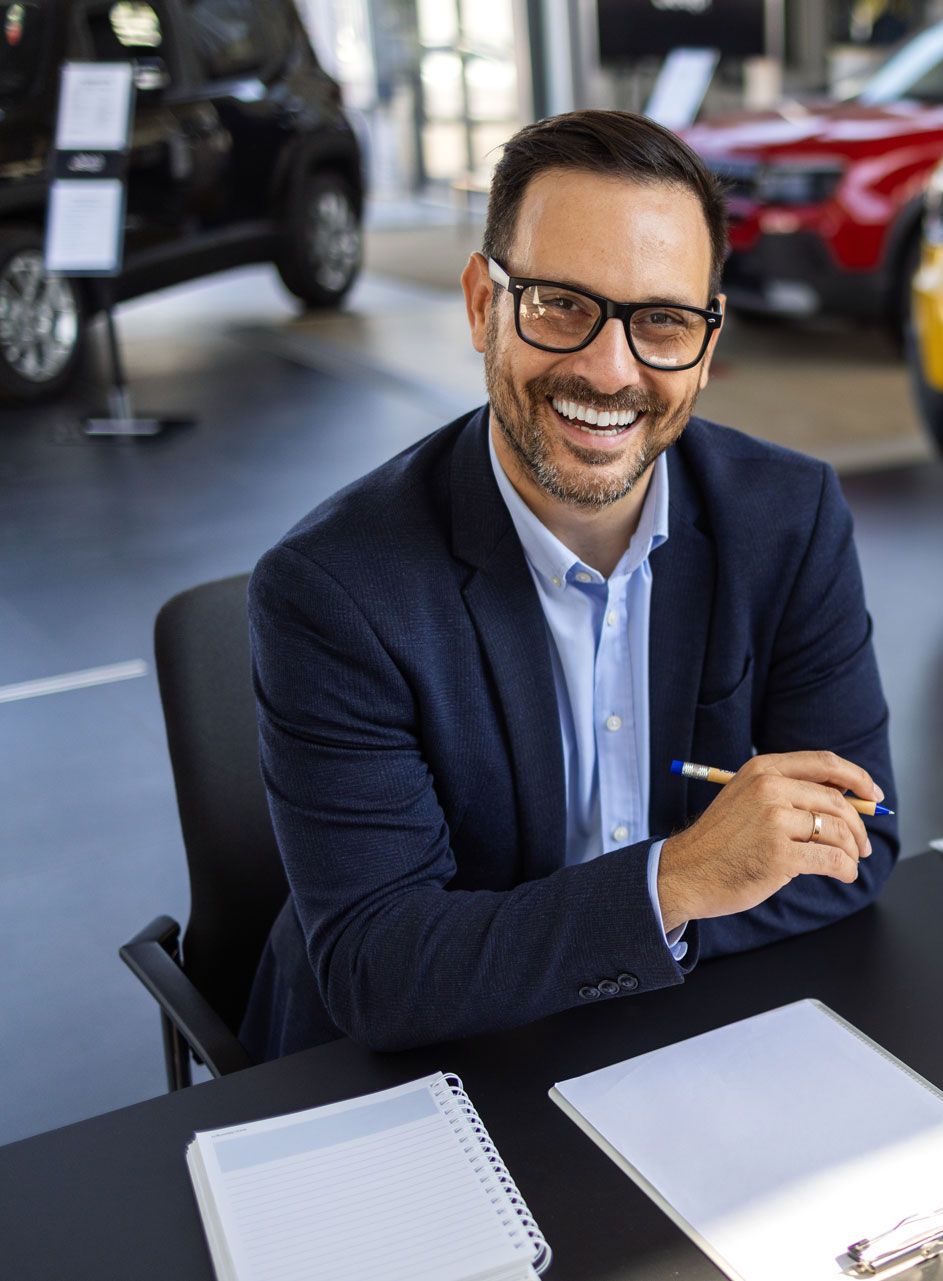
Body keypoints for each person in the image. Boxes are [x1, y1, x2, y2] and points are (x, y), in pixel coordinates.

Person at [238, 110, 897, 1060]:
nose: (608, 367)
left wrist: (640, 928)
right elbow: (379, 968)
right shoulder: (334, 588)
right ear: (481, 305)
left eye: (663, 320)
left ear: (707, 350)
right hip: (406, 1073)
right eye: (558, 303)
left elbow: (856, 846)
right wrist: (675, 883)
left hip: (667, 1035)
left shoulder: (788, 518)